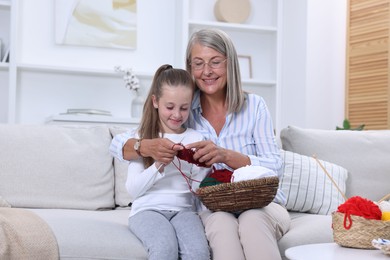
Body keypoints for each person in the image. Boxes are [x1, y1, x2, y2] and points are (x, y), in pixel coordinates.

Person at [110, 28, 291, 260]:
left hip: (261, 204)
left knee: (252, 223)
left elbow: (274, 167)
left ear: (230, 64)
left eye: (215, 62)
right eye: (198, 63)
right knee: (222, 229)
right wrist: (145, 147)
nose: (207, 71)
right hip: (214, 207)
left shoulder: (255, 106)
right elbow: (117, 144)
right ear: (190, 67)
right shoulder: (183, 107)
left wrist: (225, 156)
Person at [122, 64, 211, 260]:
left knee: (199, 253)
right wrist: (158, 164)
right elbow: (133, 190)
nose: (177, 114)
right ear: (155, 102)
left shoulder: (195, 138)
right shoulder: (143, 139)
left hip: (184, 211)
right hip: (147, 210)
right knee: (164, 250)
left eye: (184, 108)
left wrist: (203, 166)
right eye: (170, 107)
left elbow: (198, 190)